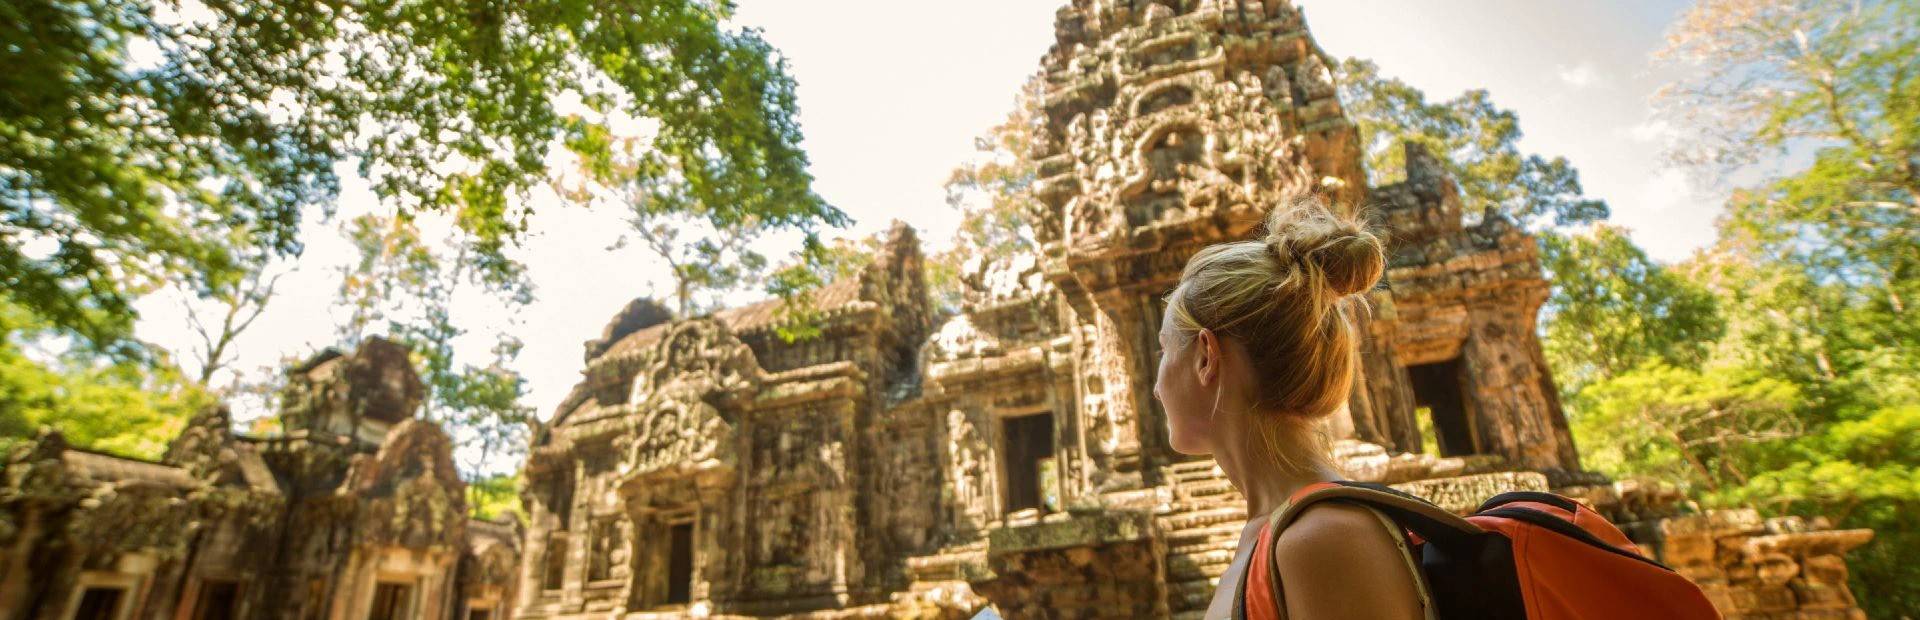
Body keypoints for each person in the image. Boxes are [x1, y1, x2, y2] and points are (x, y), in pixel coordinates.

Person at [1153, 197, 1427, 620]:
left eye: (1164, 350)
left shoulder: (1323, 539)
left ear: (1206, 356)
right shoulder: (1280, 532)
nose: (1156, 389)